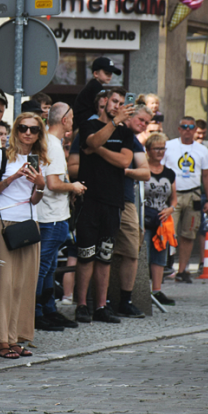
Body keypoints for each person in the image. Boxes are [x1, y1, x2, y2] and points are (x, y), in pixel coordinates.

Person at [0, 112, 46, 357]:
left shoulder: (40, 159)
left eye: (34, 129)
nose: (28, 133)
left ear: (39, 134)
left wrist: (40, 184)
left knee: (23, 285)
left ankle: (16, 337)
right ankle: (1, 340)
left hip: (29, 222)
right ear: (16, 130)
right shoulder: (2, 155)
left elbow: (35, 199)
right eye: (23, 128)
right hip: (3, 222)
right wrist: (14, 177)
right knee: (3, 283)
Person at [73, 86, 134, 324]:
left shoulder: (126, 133)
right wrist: (111, 126)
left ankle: (100, 306)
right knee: (85, 255)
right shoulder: (89, 125)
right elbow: (92, 139)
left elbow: (124, 161)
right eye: (114, 102)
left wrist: (96, 150)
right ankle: (81, 305)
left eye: (121, 102)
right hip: (89, 199)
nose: (117, 106)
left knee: (104, 256)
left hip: (113, 201)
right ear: (105, 102)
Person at [36, 103, 85, 331]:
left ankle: (49, 310)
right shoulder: (53, 146)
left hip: (53, 215)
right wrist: (73, 187)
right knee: (43, 268)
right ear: (64, 120)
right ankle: (37, 313)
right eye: (72, 117)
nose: (73, 122)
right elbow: (53, 183)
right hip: (51, 217)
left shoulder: (49, 142)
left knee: (49, 266)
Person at [161, 117, 208, 283]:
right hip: (173, 194)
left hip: (193, 194)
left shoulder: (202, 150)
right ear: (179, 129)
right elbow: (160, 168)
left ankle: (182, 270)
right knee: (168, 232)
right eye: (184, 127)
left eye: (191, 127)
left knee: (188, 234)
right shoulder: (169, 146)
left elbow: (207, 175)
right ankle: (161, 267)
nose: (188, 130)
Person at [111, 105, 152, 318]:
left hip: (126, 200)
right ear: (130, 114)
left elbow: (146, 173)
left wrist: (123, 170)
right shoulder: (110, 131)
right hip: (101, 198)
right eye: (142, 119)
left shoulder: (135, 141)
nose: (144, 125)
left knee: (130, 250)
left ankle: (125, 301)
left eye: (147, 122)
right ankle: (98, 302)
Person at [144, 133, 178, 305]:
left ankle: (156, 290)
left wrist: (170, 209)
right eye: (156, 148)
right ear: (148, 150)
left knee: (159, 255)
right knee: (144, 252)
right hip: (145, 219)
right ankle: (142, 290)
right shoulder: (142, 170)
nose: (160, 152)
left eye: (162, 148)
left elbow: (174, 198)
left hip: (162, 220)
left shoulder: (169, 173)